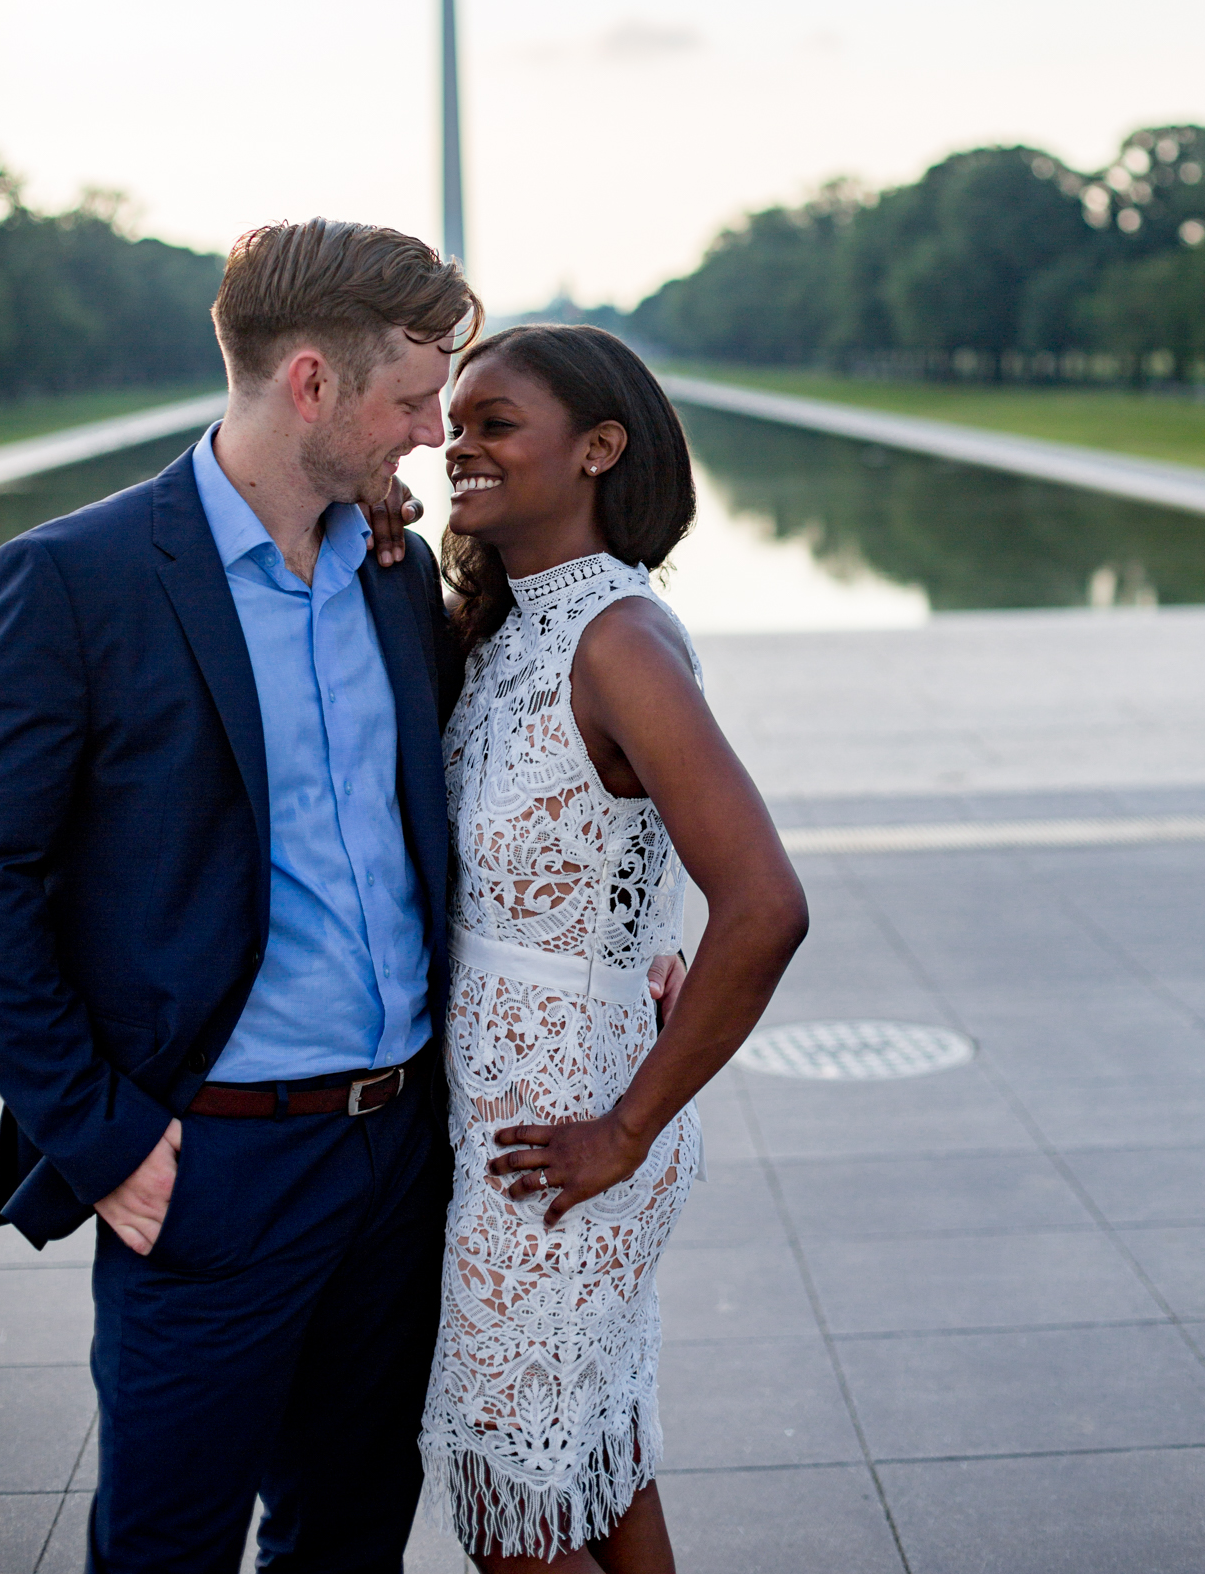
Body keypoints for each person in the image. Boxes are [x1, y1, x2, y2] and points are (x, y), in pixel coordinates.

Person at [0, 218, 479, 1574]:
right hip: (209, 1162)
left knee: (347, 1538)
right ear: (312, 383)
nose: (435, 431)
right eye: (413, 396)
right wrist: (99, 1136)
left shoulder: (392, 572)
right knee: (167, 1551)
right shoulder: (75, 582)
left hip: (394, 1156)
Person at [418, 324, 809, 1573]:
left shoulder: (618, 639)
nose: (458, 445)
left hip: (564, 1139)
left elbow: (764, 901)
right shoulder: (507, 629)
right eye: (453, 420)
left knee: (510, 1515)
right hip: (504, 1116)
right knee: (594, 1473)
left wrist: (626, 1127)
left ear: (598, 447)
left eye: (494, 421)